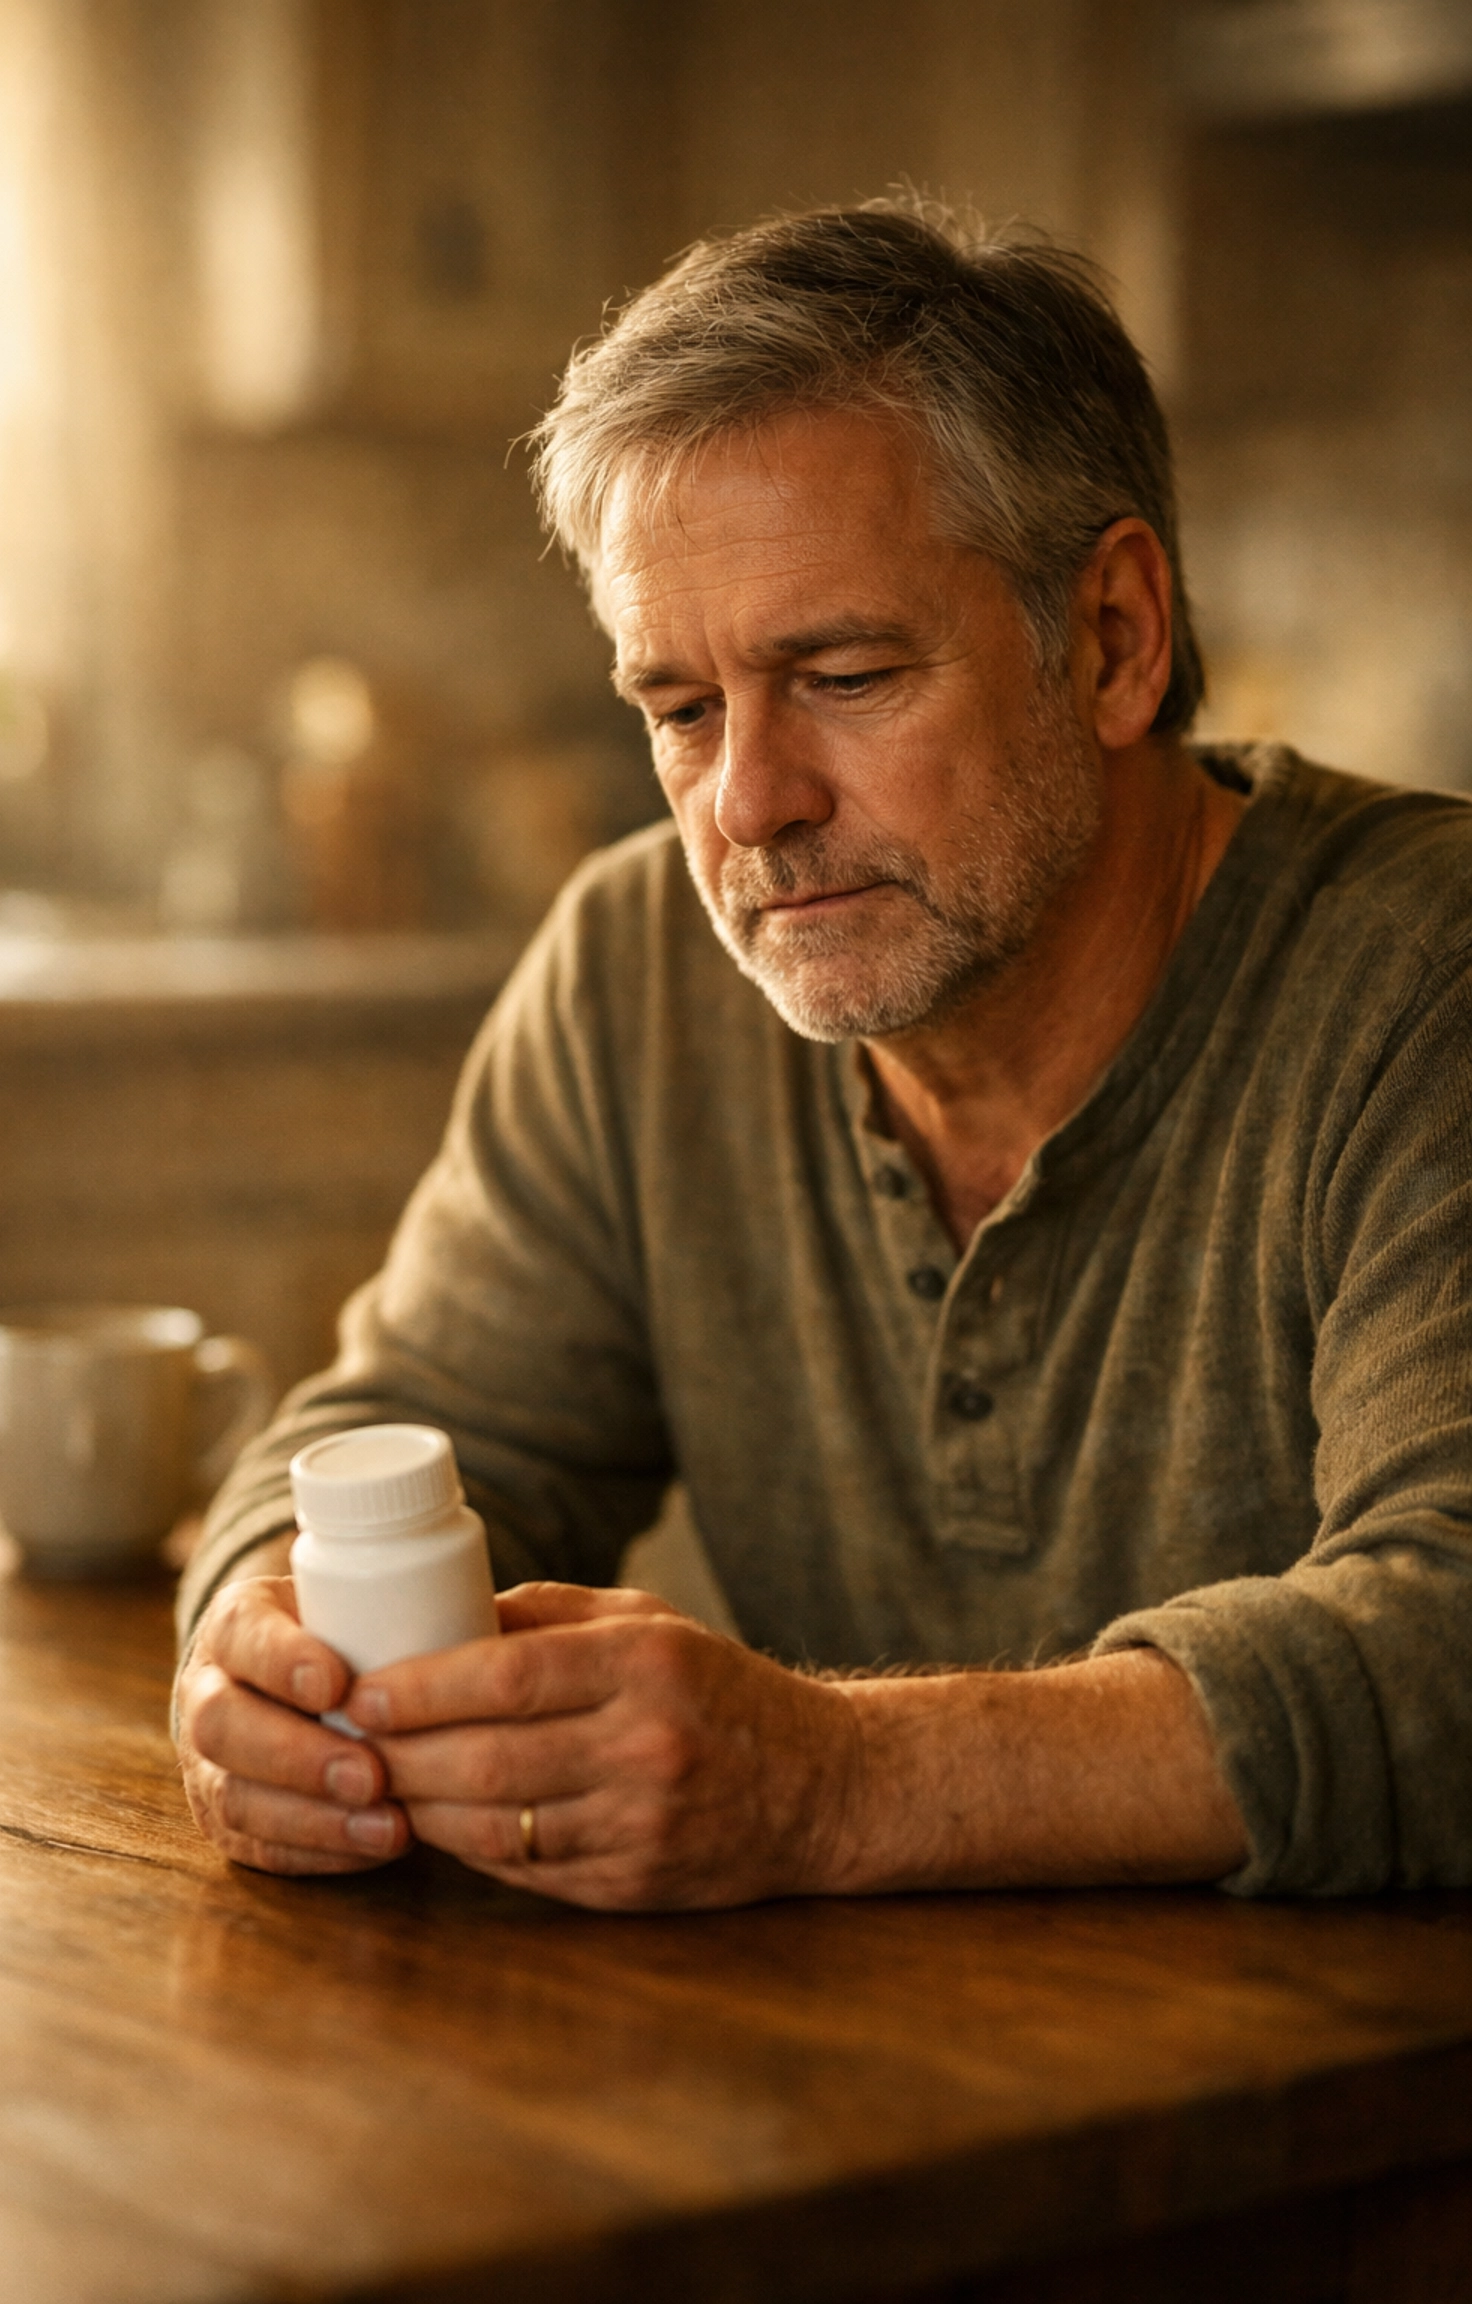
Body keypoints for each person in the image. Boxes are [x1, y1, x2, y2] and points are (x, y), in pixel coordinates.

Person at [175, 199, 1472, 1909]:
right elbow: (413, 1421)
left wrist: (837, 1780)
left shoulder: (1422, 978)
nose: (750, 806)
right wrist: (261, 1643)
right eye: (680, 711)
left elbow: (1448, 1636)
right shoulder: (635, 967)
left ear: (1113, 639)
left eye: (846, 674)